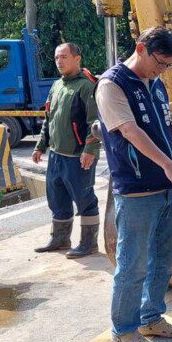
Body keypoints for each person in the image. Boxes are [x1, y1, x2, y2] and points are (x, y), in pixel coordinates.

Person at [96, 27, 172, 342]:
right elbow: (129, 131)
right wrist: (169, 167)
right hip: (137, 189)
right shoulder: (112, 85)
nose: (163, 70)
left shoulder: (155, 83)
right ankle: (123, 330)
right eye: (160, 63)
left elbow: (164, 132)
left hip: (167, 187)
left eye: (169, 66)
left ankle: (151, 317)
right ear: (140, 48)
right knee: (133, 264)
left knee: (162, 258)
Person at [33, 43, 101, 258]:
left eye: (64, 56)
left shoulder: (86, 87)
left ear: (77, 58)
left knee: (85, 199)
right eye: (56, 58)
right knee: (57, 198)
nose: (59, 61)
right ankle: (60, 239)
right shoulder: (56, 86)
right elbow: (49, 119)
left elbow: (95, 122)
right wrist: (40, 146)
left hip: (77, 156)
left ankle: (89, 243)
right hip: (56, 155)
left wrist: (90, 149)